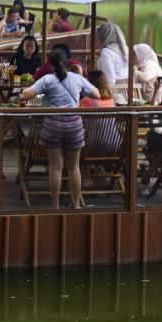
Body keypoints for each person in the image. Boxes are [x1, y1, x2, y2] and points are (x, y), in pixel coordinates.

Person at [20, 47, 99, 209]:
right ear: (67, 62)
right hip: (74, 125)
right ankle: (76, 204)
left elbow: (26, 95)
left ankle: (55, 206)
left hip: (53, 124)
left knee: (56, 167)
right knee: (74, 166)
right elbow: (97, 94)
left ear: (50, 64)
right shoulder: (77, 78)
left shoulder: (47, 79)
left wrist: (25, 90)